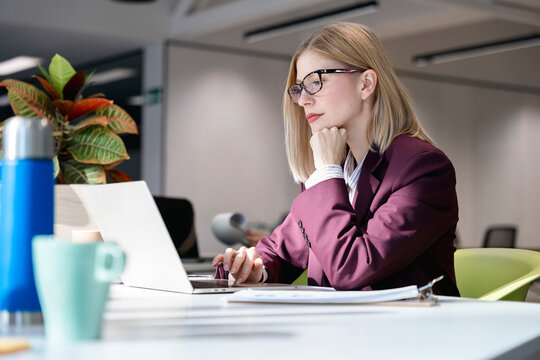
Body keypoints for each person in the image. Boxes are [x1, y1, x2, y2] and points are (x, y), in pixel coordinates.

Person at [212, 22, 460, 295]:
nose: (303, 100)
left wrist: (327, 173)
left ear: (366, 84)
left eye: (315, 82)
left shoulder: (422, 168)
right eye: (299, 89)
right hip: (339, 329)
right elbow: (282, 250)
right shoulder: (337, 169)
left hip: (403, 332)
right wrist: (255, 267)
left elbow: (351, 268)